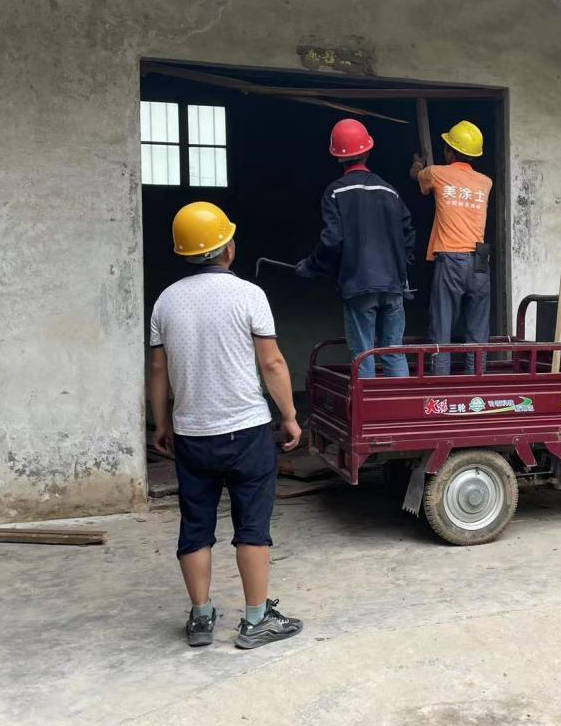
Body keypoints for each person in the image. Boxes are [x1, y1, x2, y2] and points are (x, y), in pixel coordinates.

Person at [149, 200, 303, 650]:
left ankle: (200, 617)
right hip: (247, 432)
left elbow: (157, 370)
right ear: (228, 248)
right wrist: (290, 416)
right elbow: (272, 362)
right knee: (252, 525)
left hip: (192, 433)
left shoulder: (166, 301)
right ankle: (256, 620)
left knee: (195, 525)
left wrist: (162, 423)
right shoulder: (249, 295)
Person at [296, 118, 415, 379]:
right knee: (394, 352)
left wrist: (312, 266)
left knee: (363, 354)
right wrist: (400, 268)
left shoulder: (335, 192)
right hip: (393, 286)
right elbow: (408, 233)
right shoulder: (390, 191)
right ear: (368, 151)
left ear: (338, 157)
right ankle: (400, 406)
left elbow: (332, 240)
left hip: (359, 285)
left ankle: (368, 408)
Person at [410, 120, 492, 375]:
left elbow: (416, 176)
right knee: (478, 333)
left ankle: (441, 386)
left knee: (441, 330)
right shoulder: (485, 182)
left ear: (449, 151)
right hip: (480, 260)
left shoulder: (436, 173)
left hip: (451, 259)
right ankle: (477, 386)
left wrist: (418, 163)